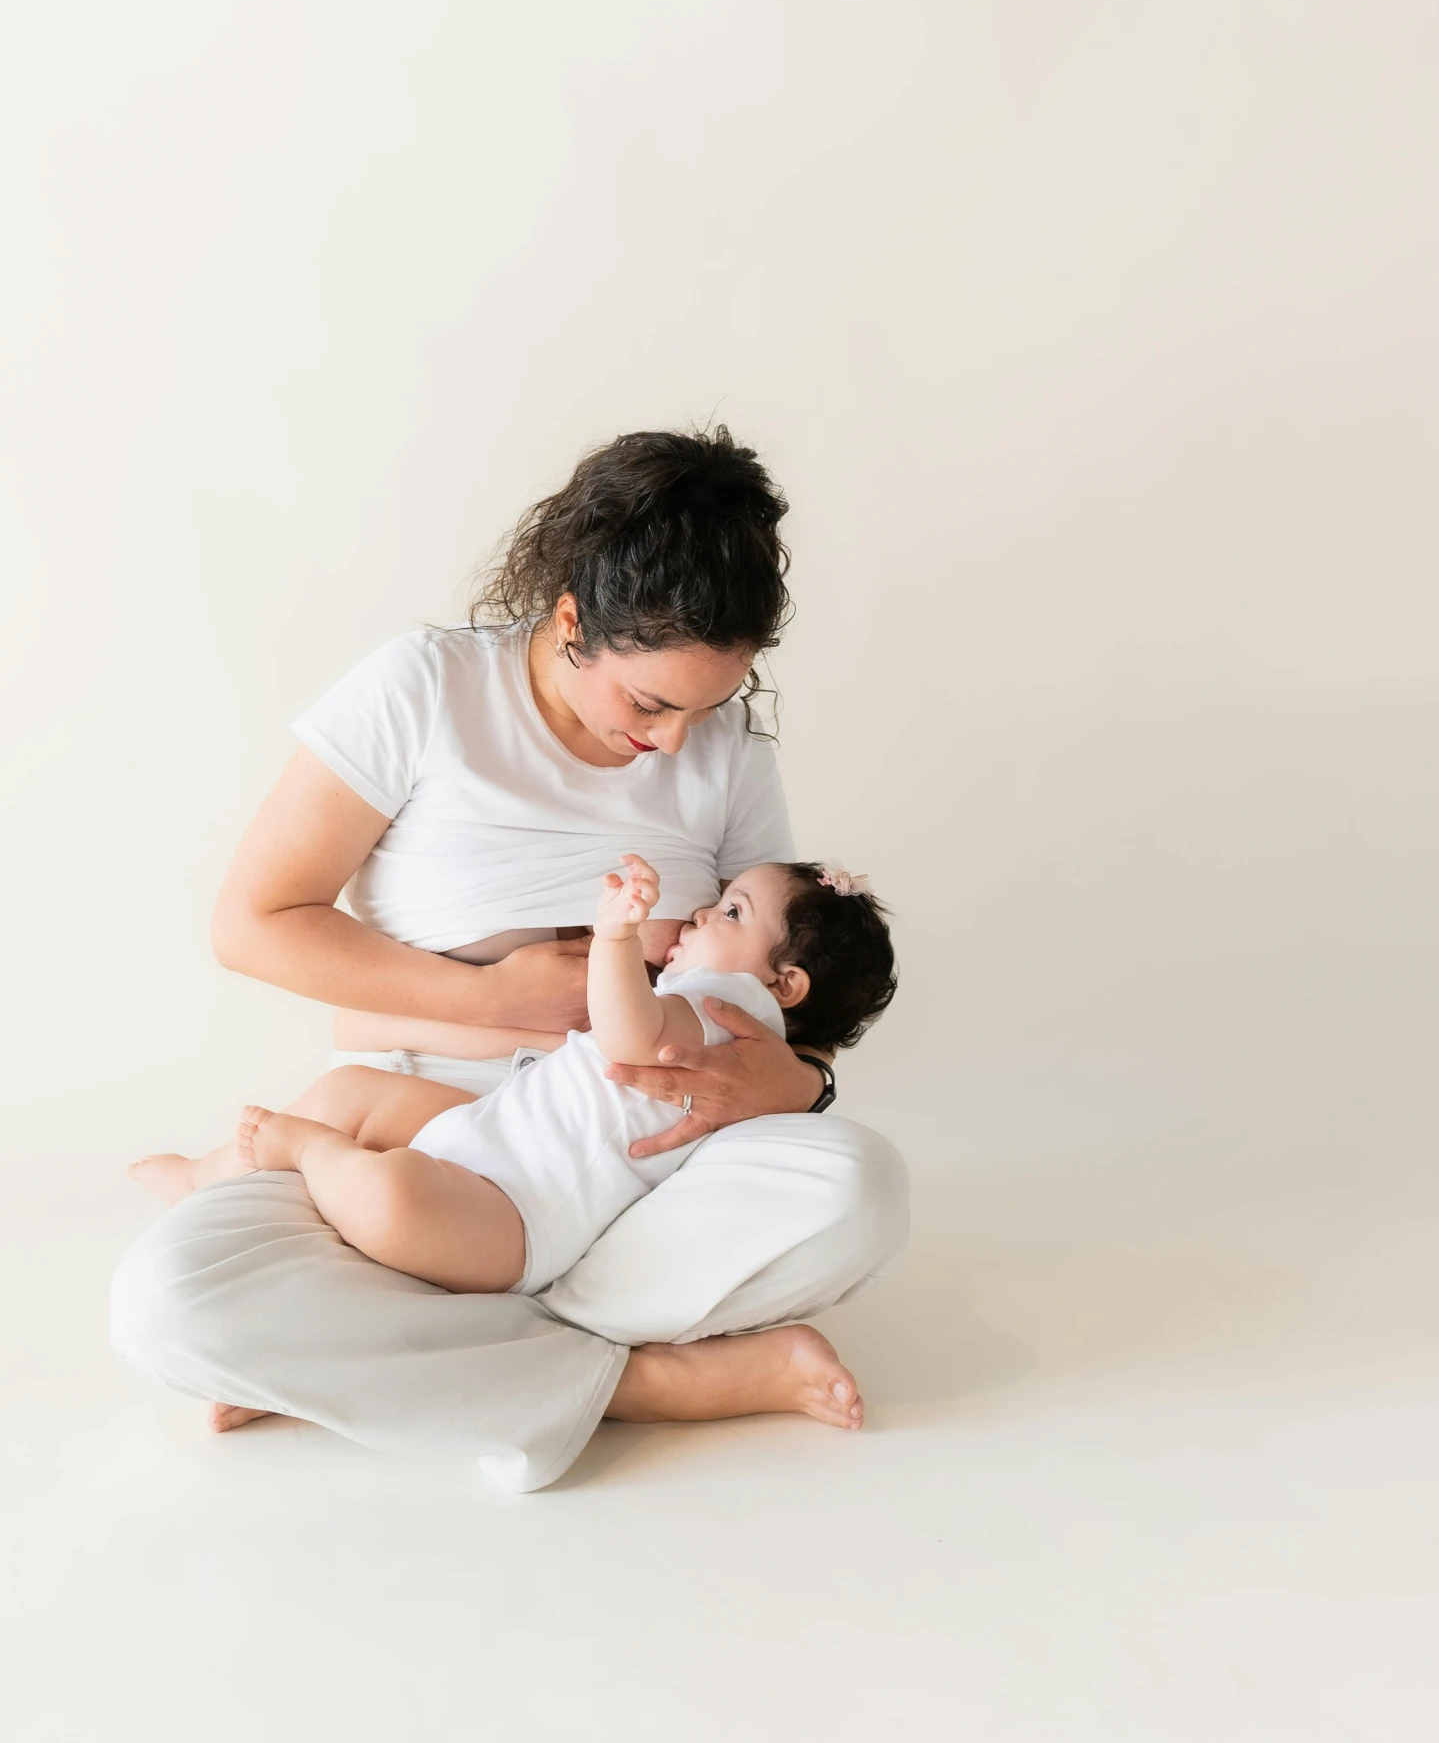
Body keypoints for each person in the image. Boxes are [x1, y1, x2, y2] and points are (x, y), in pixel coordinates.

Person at [110, 427, 910, 1490]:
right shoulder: (422, 691)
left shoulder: (724, 761)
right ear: (572, 618)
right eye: (652, 703)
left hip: (634, 1162)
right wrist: (491, 997)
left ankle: (387, 1349)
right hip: (433, 1134)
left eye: (708, 707)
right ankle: (646, 1380)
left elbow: (767, 963)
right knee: (164, 1304)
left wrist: (803, 1079)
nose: (678, 742)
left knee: (862, 1186)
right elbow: (254, 920)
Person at [134, 856, 896, 1393]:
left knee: (391, 1203)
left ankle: (306, 1156)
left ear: (783, 984)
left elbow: (632, 1037)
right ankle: (205, 1181)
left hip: (518, 1209)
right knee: (352, 1089)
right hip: (495, 1126)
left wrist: (617, 940)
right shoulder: (720, 994)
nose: (702, 912)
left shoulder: (727, 1005)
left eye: (730, 910)